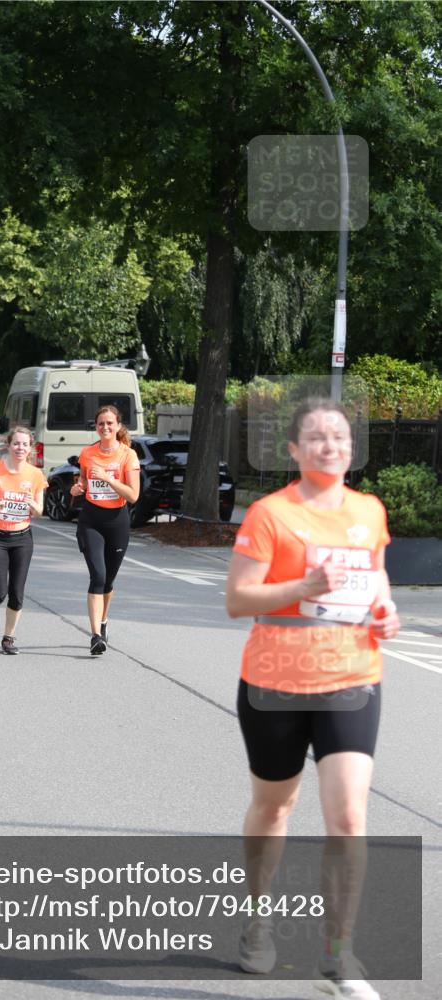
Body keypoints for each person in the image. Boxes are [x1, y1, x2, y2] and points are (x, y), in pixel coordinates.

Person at [225, 398, 400, 1000]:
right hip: (274, 681)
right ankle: (257, 919)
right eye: (317, 438)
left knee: (350, 816)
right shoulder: (271, 515)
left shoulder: (368, 511)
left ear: (352, 449)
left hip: (351, 678)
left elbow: (374, 576)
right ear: (295, 451)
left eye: (340, 437)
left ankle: (338, 953)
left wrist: (387, 609)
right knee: (274, 809)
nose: (330, 445)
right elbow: (239, 599)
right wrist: (302, 586)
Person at [70, 405, 140, 655]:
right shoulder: (87, 453)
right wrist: (77, 488)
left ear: (118, 425)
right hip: (91, 519)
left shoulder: (128, 455)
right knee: (97, 576)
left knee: (108, 580)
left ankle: (103, 620)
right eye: (101, 423)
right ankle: (96, 636)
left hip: (117, 522)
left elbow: (133, 495)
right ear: (96, 426)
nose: (105, 427)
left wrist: (110, 479)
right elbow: (83, 482)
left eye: (110, 423)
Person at [0, 426, 47, 654]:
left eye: (25, 444)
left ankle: (8, 638)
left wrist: (31, 504)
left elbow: (40, 511)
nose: (20, 448)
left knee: (16, 592)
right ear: (8, 444)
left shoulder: (35, 474)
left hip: (22, 538)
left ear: (30, 448)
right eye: (16, 443)